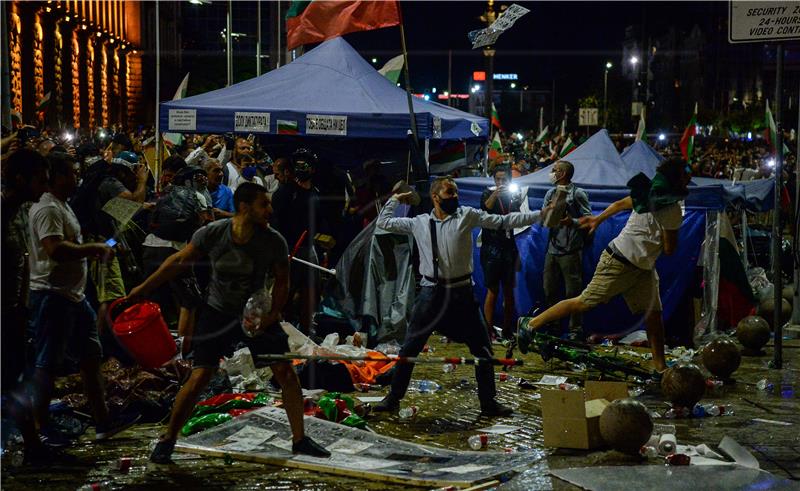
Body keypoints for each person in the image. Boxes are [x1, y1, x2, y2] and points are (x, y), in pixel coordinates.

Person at [125, 182, 330, 464]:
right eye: (263, 204)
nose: (269, 210)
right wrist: (142, 289)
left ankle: (300, 440)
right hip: (217, 310)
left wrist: (273, 314)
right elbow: (178, 260)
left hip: (255, 313)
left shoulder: (273, 241)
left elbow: (283, 280)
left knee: (285, 372)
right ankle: (168, 439)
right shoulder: (213, 233)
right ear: (244, 207)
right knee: (200, 376)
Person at [373, 177, 548, 416]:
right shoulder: (419, 223)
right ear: (435, 197)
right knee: (409, 350)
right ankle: (393, 398)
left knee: (483, 350)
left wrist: (540, 215)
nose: (454, 198)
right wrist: (395, 199)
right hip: (431, 293)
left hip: (462, 294)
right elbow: (384, 223)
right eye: (449, 194)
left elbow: (503, 221)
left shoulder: (467, 215)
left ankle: (488, 403)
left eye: (455, 193)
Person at [13, 154, 140, 464]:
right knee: (47, 365)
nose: (76, 178)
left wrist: (104, 246)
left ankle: (102, 421)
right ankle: (43, 428)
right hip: (52, 296)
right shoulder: (46, 208)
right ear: (54, 177)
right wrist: (94, 249)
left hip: (73, 295)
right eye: (70, 173)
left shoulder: (63, 205)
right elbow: (54, 249)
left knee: (90, 356)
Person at [517, 158, 691, 372]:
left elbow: (619, 205)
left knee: (654, 315)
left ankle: (660, 367)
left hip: (642, 268)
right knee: (583, 302)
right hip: (619, 262)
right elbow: (669, 249)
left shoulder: (646, 194)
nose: (690, 177)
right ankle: (530, 323)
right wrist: (667, 230)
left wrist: (597, 220)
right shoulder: (670, 209)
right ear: (677, 180)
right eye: (686, 173)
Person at [2, 149, 50, 392]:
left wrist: (22, 307)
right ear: (21, 179)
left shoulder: (22, 210)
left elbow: (23, 258)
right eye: (40, 180)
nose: (44, 188)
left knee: (16, 383)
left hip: (14, 313)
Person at [89, 151, 149, 333]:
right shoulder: (111, 183)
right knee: (109, 298)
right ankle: (101, 346)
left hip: (107, 243)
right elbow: (133, 206)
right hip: (101, 247)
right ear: (124, 172)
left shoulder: (105, 182)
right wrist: (142, 181)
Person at [271, 149, 323, 334]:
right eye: (298, 163)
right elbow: (274, 221)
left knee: (310, 292)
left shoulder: (315, 194)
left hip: (308, 249)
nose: (301, 167)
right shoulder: (285, 192)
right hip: (288, 250)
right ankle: (279, 330)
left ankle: (307, 331)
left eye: (305, 163)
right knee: (285, 292)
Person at [541, 160, 592, 340]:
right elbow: (543, 218)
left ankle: (574, 330)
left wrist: (573, 222)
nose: (551, 173)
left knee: (574, 293)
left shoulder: (578, 194)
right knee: (549, 290)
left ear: (562, 173)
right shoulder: (550, 193)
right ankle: (553, 326)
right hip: (552, 250)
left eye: (554, 170)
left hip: (571, 251)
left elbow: (589, 220)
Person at [480, 165, 523, 340]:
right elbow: (486, 208)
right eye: (497, 179)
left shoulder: (513, 195)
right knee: (492, 290)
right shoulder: (487, 193)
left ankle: (507, 330)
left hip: (508, 247)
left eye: (503, 179)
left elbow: (518, 218)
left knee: (509, 291)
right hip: (491, 248)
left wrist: (517, 200)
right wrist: (495, 193)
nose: (500, 182)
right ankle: (488, 331)